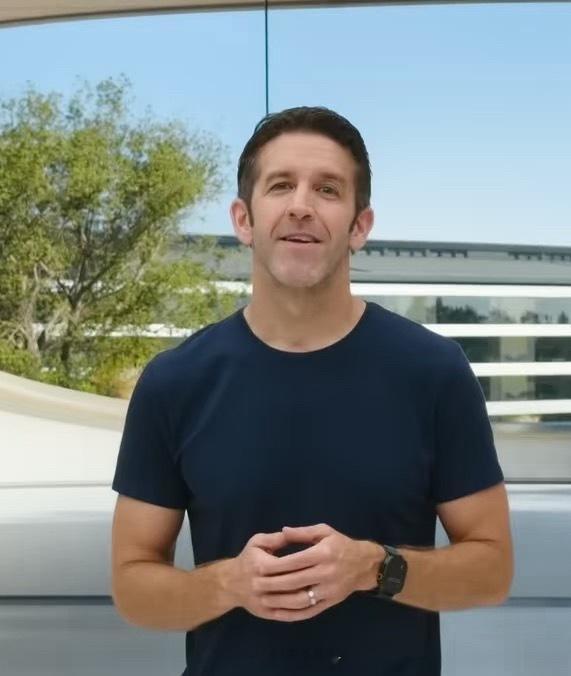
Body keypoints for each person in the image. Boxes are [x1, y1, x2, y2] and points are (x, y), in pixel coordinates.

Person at [111, 106, 513, 676]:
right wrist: (229, 583)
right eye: (281, 186)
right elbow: (133, 586)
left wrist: (375, 568)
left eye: (327, 189)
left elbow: (493, 571)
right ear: (244, 219)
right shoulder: (175, 382)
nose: (301, 205)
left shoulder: (433, 372)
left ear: (359, 226)